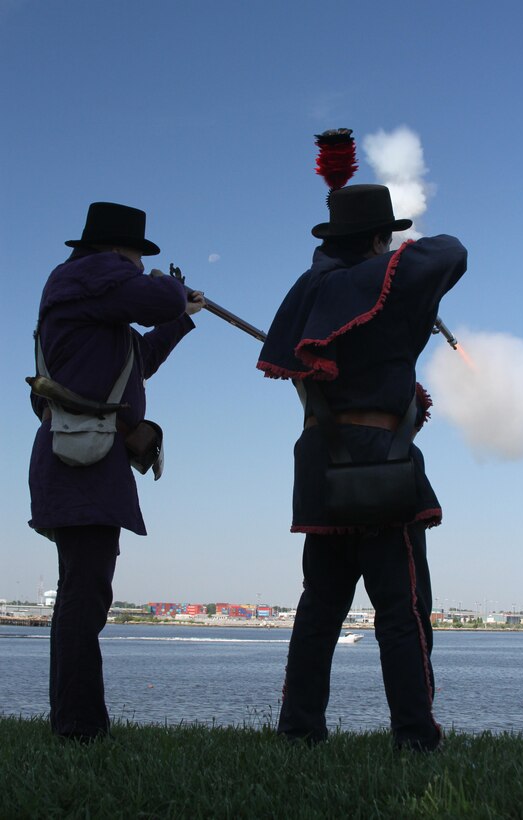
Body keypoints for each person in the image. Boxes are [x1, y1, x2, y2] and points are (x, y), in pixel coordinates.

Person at [257, 184, 467, 751]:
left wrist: (366, 256)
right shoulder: (390, 287)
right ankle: (416, 738)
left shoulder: (311, 290)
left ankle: (299, 733)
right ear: (378, 238)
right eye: (387, 237)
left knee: (319, 609)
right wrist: (398, 252)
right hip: (383, 462)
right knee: (402, 611)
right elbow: (451, 253)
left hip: (322, 466)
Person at [28, 201, 205, 742]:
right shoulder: (88, 274)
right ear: (118, 251)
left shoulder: (93, 304)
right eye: (135, 254)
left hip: (85, 465)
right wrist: (171, 292)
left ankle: (76, 722)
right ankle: (79, 729)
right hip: (80, 464)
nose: (135, 265)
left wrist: (182, 318)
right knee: (84, 597)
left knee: (85, 593)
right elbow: (156, 298)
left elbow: (138, 360)